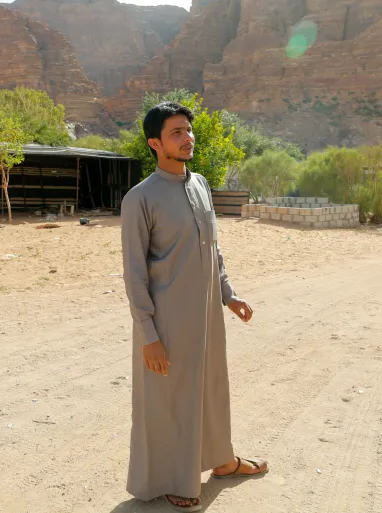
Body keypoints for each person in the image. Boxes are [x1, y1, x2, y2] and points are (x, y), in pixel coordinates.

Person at [120, 101, 268, 512]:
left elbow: (212, 249)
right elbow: (134, 274)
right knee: (172, 400)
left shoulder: (201, 184)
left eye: (188, 130)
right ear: (154, 143)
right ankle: (175, 477)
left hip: (207, 316)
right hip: (167, 321)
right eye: (176, 133)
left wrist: (228, 293)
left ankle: (222, 461)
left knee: (212, 389)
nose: (187, 139)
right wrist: (148, 335)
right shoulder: (140, 199)